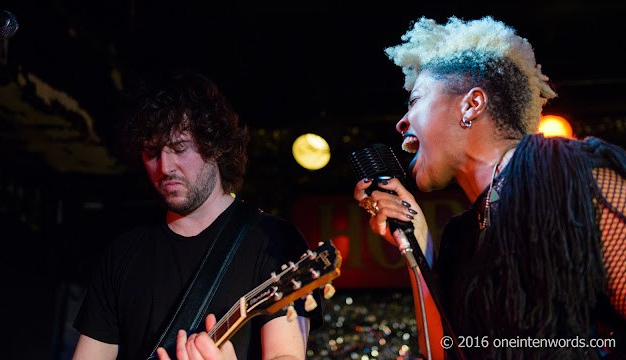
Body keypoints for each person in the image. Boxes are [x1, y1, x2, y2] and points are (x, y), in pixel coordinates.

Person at [354, 16, 626, 359]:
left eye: (416, 101)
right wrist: (417, 248)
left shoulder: (564, 173)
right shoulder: (461, 237)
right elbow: (444, 353)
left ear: (471, 104)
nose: (401, 121)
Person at [72, 70, 320, 360]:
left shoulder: (275, 241)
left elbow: (286, 355)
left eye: (179, 148)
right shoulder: (122, 254)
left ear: (215, 147)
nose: (165, 167)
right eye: (152, 152)